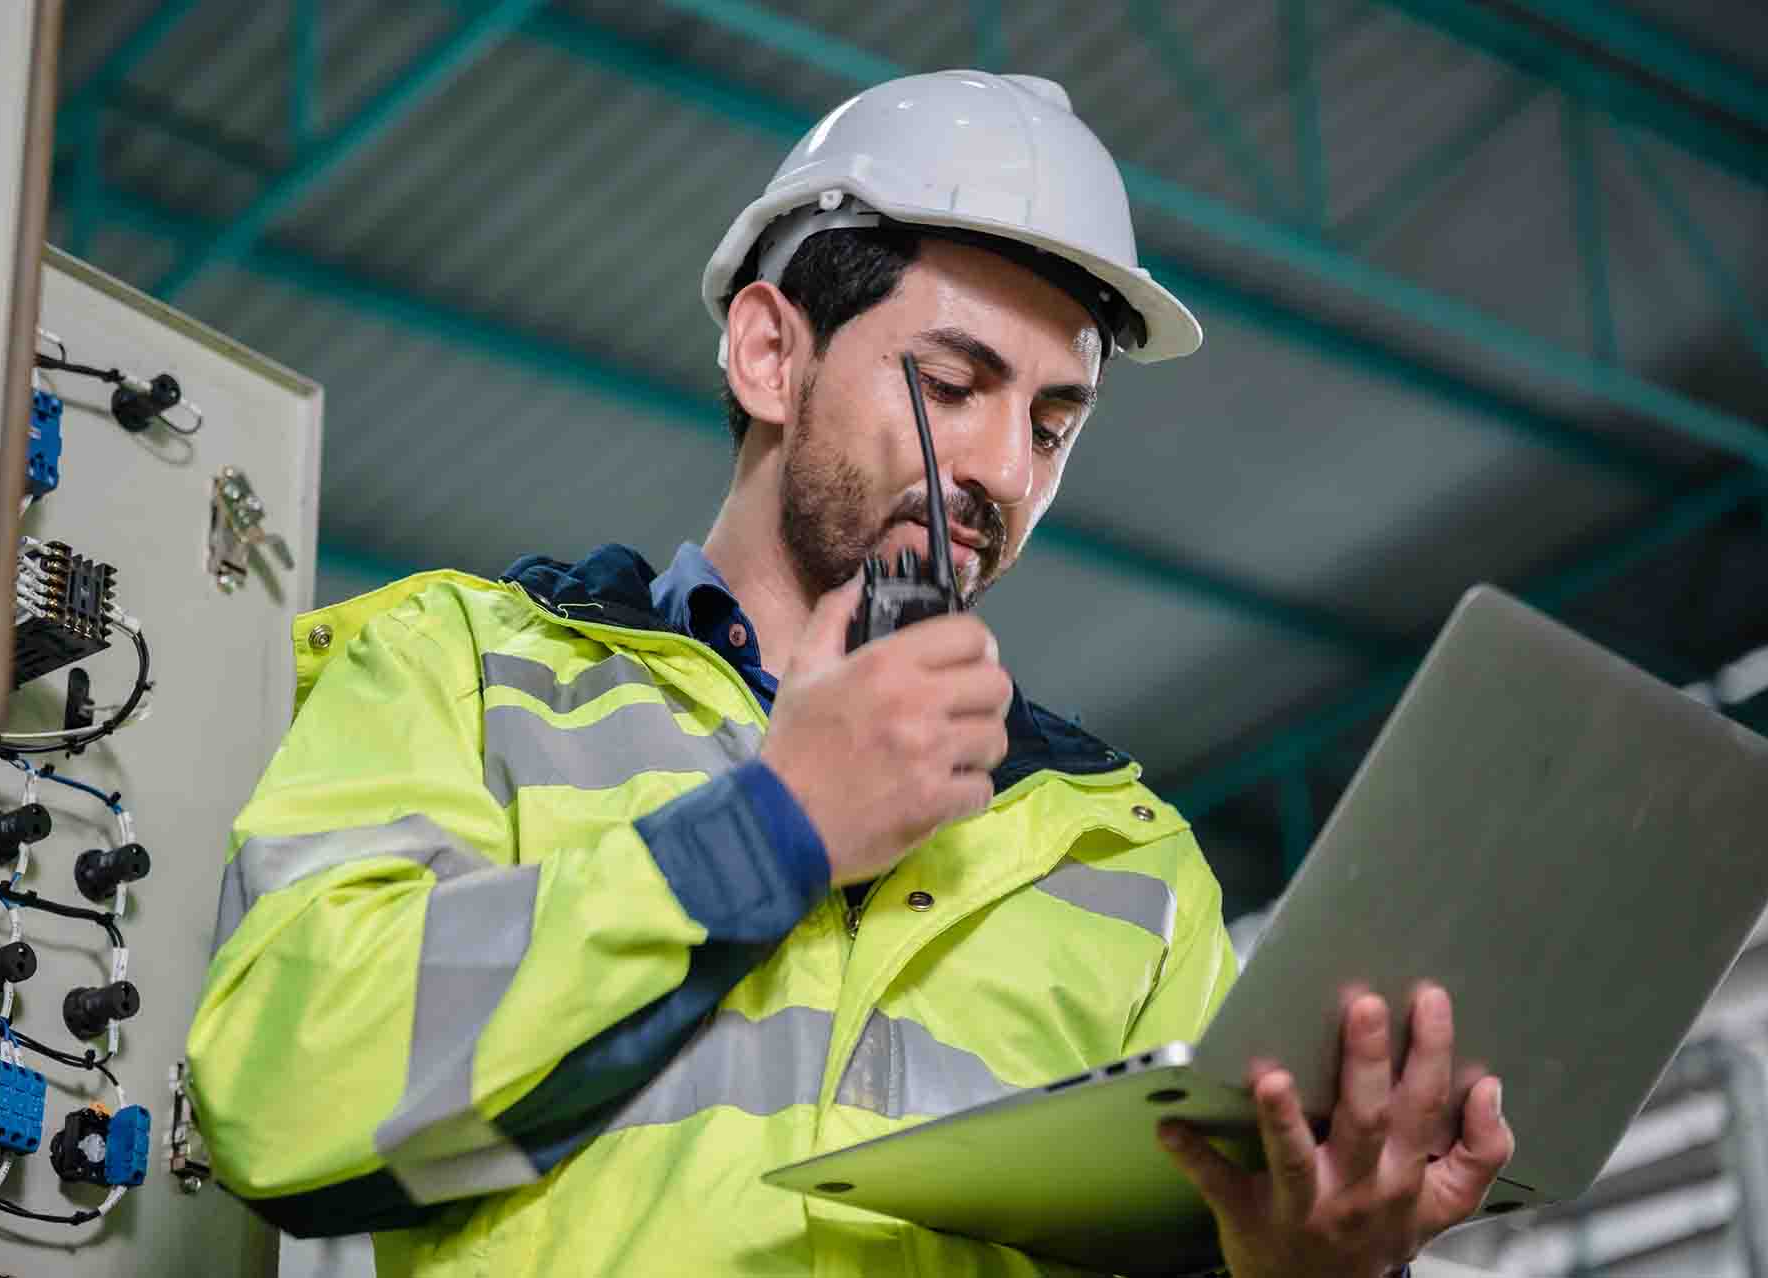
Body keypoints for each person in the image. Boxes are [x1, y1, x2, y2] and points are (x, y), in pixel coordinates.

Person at [186, 70, 1513, 1277]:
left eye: (1055, 424)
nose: (1002, 469)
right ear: (772, 353)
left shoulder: (1126, 863)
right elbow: (278, 1101)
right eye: (951, 383)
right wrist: (770, 828)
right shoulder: (470, 675)